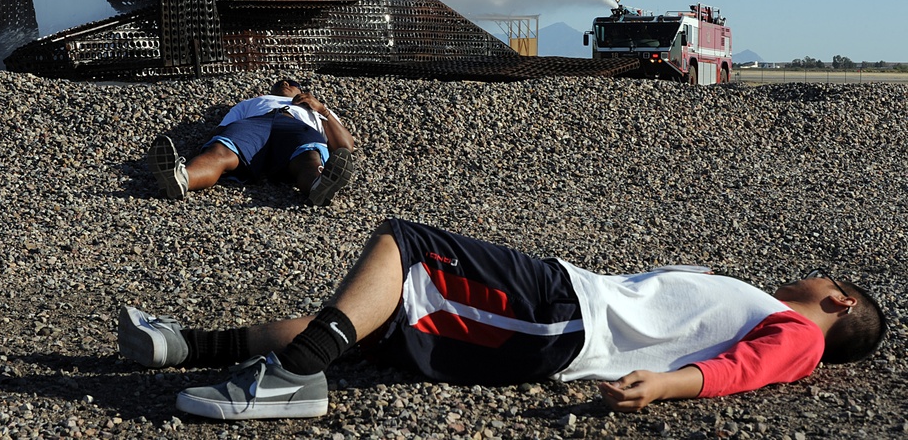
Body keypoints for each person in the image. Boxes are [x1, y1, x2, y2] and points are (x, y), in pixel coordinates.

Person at [117, 218, 887, 420]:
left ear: (839, 303)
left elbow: (747, 371)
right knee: (383, 314)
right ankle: (181, 345)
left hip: (564, 317)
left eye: (827, 279)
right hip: (561, 312)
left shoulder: (798, 336)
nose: (811, 275)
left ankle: (289, 379)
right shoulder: (760, 307)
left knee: (407, 246)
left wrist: (671, 387)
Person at [147, 78, 354, 206]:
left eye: (292, 83)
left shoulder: (315, 108)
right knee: (221, 151)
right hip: (256, 123)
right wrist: (218, 145)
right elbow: (221, 131)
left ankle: (319, 186)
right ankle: (182, 178)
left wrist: (322, 109)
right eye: (280, 83)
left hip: (296, 127)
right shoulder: (252, 103)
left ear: (302, 92)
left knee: (308, 156)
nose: (284, 83)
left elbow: (345, 145)